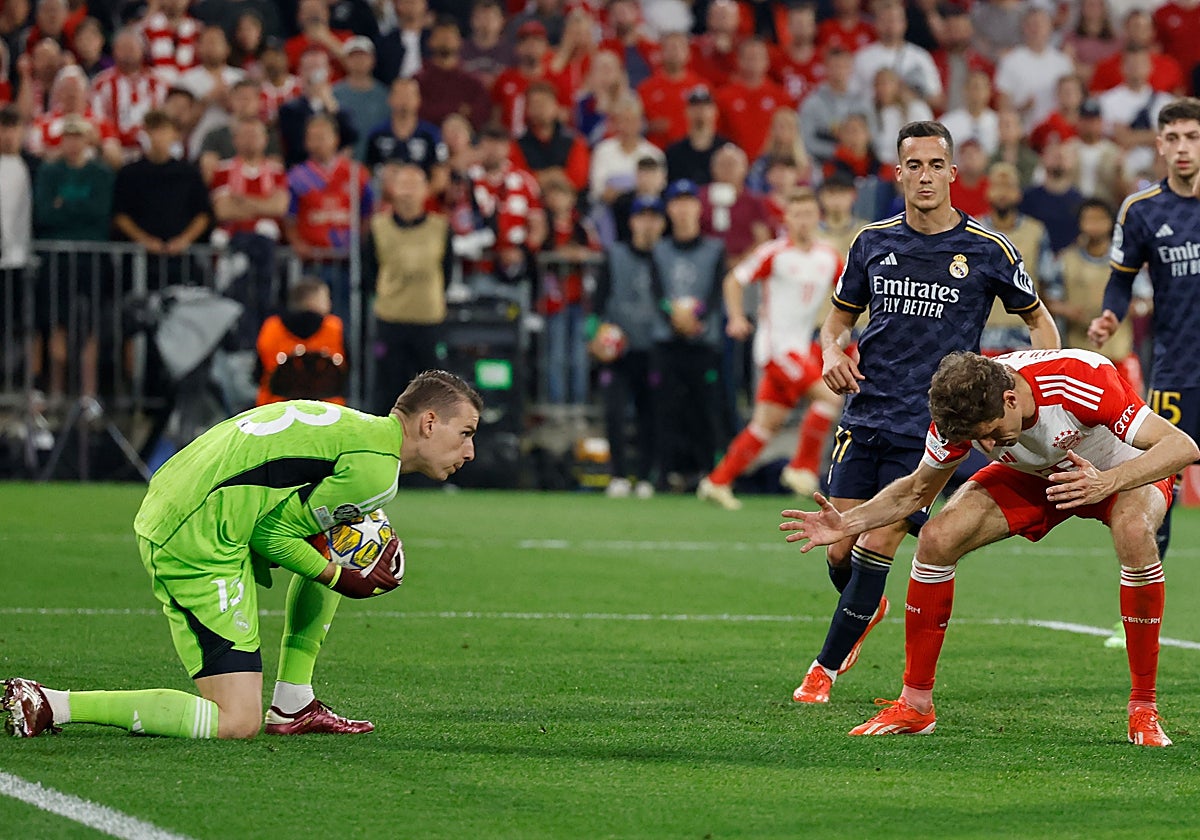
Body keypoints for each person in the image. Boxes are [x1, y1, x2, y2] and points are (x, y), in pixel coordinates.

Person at [3, 370, 482, 740]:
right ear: (428, 422)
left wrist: (332, 553)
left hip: (184, 496)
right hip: (196, 535)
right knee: (236, 721)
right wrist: (343, 579)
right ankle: (50, 703)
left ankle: (293, 702)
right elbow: (272, 538)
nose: (471, 450)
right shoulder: (377, 472)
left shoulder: (355, 426)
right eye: (465, 433)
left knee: (339, 539)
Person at [780, 349, 1197, 746]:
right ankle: (915, 705)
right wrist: (846, 523)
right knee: (937, 538)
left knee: (1134, 532)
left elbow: (1182, 447)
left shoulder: (1080, 381)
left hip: (1118, 468)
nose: (992, 445)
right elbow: (916, 492)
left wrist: (1107, 483)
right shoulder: (964, 412)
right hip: (1037, 473)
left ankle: (1144, 707)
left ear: (1011, 399)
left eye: (996, 432)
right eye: (982, 440)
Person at [792, 120, 1059, 705]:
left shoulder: (989, 250)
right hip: (866, 413)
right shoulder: (871, 242)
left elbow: (1038, 321)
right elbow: (835, 321)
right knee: (840, 546)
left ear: (953, 173)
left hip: (932, 424)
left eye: (936, 165)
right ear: (899, 173)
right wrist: (832, 350)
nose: (926, 175)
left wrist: (1025, 387)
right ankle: (868, 605)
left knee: (877, 540)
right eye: (914, 165)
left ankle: (822, 672)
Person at [1089, 97, 1200, 561]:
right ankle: (1140, 604)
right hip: (1175, 368)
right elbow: (1120, 280)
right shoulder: (1142, 210)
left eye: (1192, 137)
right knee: (1158, 489)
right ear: (1159, 145)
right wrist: (1110, 313)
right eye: (1173, 138)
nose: (1183, 148)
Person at [697, 188, 843, 510]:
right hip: (777, 349)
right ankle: (802, 468)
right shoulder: (774, 253)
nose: (803, 221)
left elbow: (848, 293)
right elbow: (734, 280)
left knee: (766, 424)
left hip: (801, 348)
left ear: (817, 217)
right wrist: (736, 317)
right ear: (786, 218)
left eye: (809, 214)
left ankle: (717, 482)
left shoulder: (828, 256)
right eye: (797, 214)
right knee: (830, 397)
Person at [593, 196, 666, 499]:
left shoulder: (667, 257)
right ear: (632, 221)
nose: (648, 224)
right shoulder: (615, 255)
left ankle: (647, 475)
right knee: (614, 412)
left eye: (654, 217)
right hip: (619, 349)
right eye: (642, 217)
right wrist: (595, 334)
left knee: (651, 414)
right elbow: (598, 302)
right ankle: (619, 475)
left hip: (654, 347)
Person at [365, 162, 452, 414]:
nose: (408, 192)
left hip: (429, 320)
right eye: (403, 184)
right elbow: (371, 272)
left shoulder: (440, 227)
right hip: (391, 319)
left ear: (426, 190)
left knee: (432, 394)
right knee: (386, 392)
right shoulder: (377, 227)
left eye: (414, 185)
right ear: (391, 189)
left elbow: (446, 271)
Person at [256, 277, 347, 406]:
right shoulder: (334, 328)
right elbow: (344, 374)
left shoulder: (271, 328)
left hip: (276, 410)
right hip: (328, 411)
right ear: (312, 301)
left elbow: (258, 374)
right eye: (326, 298)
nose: (330, 304)